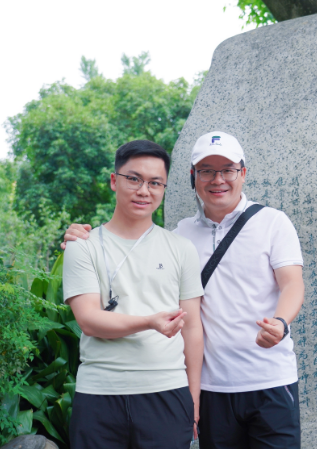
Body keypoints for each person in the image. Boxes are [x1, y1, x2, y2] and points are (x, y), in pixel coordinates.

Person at [62, 131, 306, 449]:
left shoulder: (273, 222)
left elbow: (292, 283)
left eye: (228, 170)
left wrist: (281, 322)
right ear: (193, 177)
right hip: (213, 387)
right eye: (206, 171)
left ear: (243, 173)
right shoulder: (183, 235)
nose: (218, 179)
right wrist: (79, 237)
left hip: (270, 379)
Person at [62, 140, 204, 449]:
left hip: (167, 392)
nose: (144, 191)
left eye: (155, 183)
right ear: (115, 181)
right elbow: (88, 320)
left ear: (164, 188)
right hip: (99, 395)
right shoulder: (82, 246)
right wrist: (150, 322)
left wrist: (193, 397)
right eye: (134, 179)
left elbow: (193, 327)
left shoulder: (181, 249)